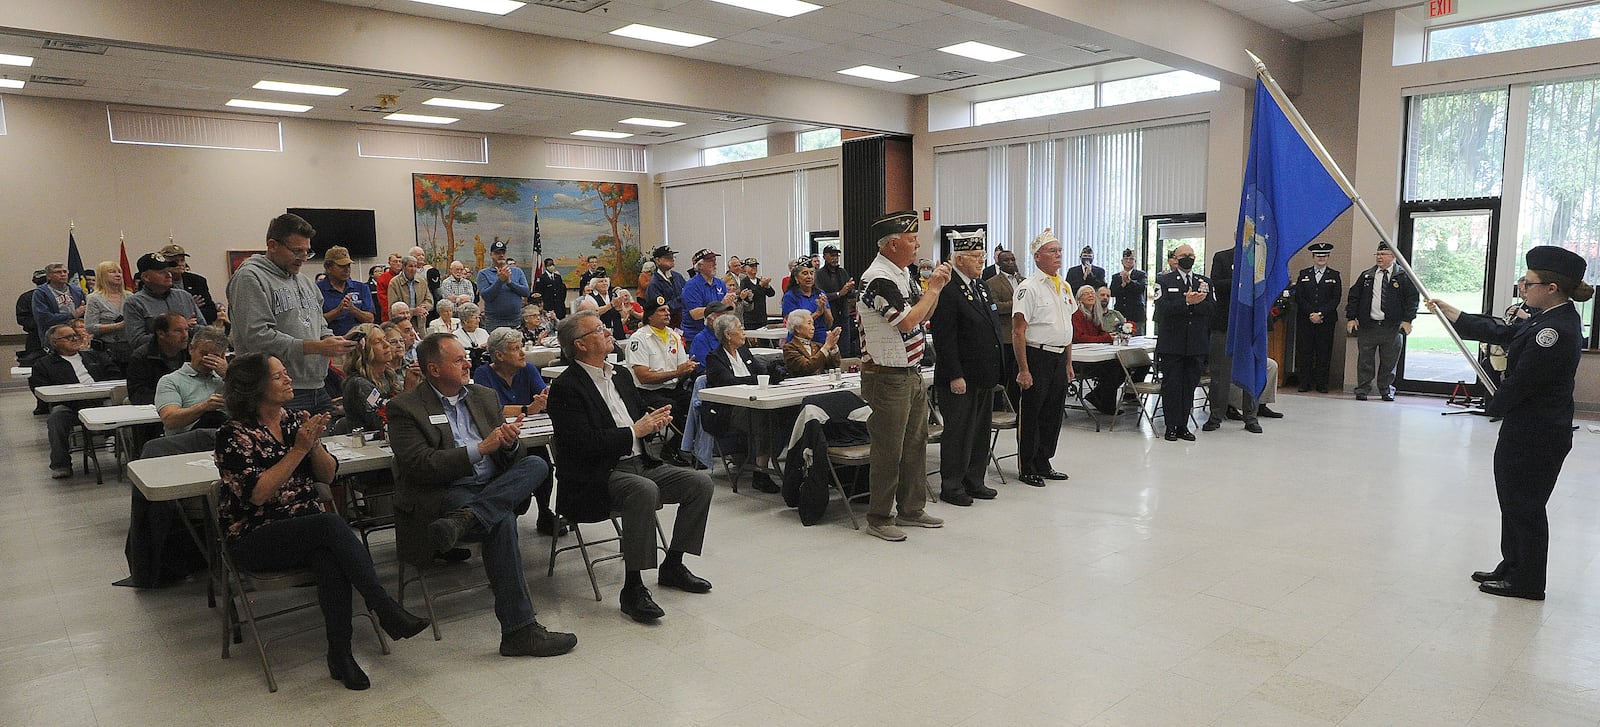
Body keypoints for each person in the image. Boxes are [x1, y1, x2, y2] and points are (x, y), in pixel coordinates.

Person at [214, 353, 430, 690]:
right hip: (255, 537)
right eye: (278, 376)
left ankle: (340, 655)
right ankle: (384, 607)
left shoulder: (296, 420)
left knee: (330, 556)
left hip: (307, 530)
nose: (288, 379)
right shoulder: (233, 434)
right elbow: (257, 495)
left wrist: (313, 444)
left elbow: (328, 476)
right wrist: (298, 450)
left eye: (287, 372)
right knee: (329, 525)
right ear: (254, 388)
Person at [386, 334, 578, 655]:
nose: (468, 363)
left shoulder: (483, 396)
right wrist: (481, 448)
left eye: (466, 357)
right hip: (446, 493)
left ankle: (470, 517)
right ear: (433, 369)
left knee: (535, 463)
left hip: (489, 490)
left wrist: (508, 442)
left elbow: (511, 462)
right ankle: (520, 630)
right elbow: (421, 466)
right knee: (500, 520)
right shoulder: (405, 408)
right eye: (458, 359)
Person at [1430, 247, 1591, 601]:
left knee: (1526, 504)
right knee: (1512, 499)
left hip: (1538, 432)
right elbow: (1504, 333)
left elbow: (1524, 381)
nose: (1523, 288)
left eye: (1528, 283)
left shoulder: (1555, 330)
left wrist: (1494, 405)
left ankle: (1529, 580)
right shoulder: (1544, 317)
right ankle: (1513, 563)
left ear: (1551, 287)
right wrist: (1455, 315)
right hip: (1527, 428)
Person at [547, 311, 716, 622]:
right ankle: (633, 588)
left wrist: (655, 422)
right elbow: (580, 445)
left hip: (641, 462)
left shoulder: (621, 375)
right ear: (581, 345)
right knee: (644, 490)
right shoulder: (566, 387)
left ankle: (673, 564)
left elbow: (638, 418)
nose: (608, 331)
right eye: (599, 329)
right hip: (597, 475)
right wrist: (635, 432)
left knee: (700, 483)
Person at [857, 211, 949, 542]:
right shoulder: (877, 279)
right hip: (886, 376)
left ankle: (912, 508)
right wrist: (933, 289)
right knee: (888, 449)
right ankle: (879, 516)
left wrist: (934, 292)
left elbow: (922, 316)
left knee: (915, 443)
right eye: (912, 240)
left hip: (910, 372)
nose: (918, 245)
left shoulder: (904, 274)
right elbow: (908, 322)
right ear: (893, 243)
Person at [228, 214, 357, 414]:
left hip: (316, 385)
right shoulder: (250, 278)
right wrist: (317, 347)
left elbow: (320, 325)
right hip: (272, 391)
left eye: (307, 252)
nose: (303, 258)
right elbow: (257, 336)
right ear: (272, 245)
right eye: (297, 251)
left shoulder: (305, 282)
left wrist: (337, 341)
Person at [930, 232, 1002, 506]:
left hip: (983, 373)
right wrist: (955, 374)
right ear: (959, 259)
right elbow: (944, 337)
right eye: (975, 257)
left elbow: (992, 327)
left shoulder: (981, 287)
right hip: (960, 376)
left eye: (982, 256)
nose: (981, 261)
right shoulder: (948, 290)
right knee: (959, 433)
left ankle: (975, 479)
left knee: (980, 431)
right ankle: (952, 486)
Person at [471, 327, 566, 535]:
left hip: (531, 431)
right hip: (502, 436)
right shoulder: (483, 374)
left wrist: (545, 401)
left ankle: (544, 512)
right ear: (499, 355)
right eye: (516, 349)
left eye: (521, 347)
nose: (522, 353)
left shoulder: (528, 369)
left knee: (543, 459)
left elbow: (542, 398)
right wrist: (527, 409)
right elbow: (492, 409)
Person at [1012, 229, 1076, 486]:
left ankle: (1044, 461)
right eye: (1052, 251)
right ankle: (1027, 465)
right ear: (1037, 257)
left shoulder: (1065, 286)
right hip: (1036, 356)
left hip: (1059, 357)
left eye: (1060, 250)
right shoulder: (1028, 288)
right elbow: (1018, 330)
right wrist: (1023, 369)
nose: (1058, 255)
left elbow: (1067, 326)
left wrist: (1069, 362)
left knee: (1053, 413)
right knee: (1032, 413)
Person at [31, 323, 122, 479]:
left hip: (99, 402)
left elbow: (114, 375)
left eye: (75, 335)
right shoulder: (44, 364)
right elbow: (40, 390)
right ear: (54, 343)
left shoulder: (94, 356)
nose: (74, 339)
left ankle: (129, 450)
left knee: (121, 406)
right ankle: (61, 464)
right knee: (56, 417)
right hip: (69, 406)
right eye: (68, 337)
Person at [703, 315, 779, 492]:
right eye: (739, 327)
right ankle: (760, 472)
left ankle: (778, 463)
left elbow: (762, 373)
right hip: (729, 410)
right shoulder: (714, 358)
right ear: (728, 335)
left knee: (779, 413)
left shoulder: (745, 351)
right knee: (764, 417)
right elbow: (729, 382)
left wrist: (758, 378)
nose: (743, 330)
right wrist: (755, 379)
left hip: (754, 401)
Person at [1153, 244, 1214, 441]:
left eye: (1191, 255)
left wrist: (1197, 304)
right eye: (1184, 255)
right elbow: (1162, 309)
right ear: (1175, 258)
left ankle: (1183, 426)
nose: (1188, 258)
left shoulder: (1203, 282)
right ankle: (1170, 426)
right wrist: (1186, 302)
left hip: (1196, 344)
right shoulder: (1163, 281)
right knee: (1172, 386)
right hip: (1172, 344)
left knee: (1189, 386)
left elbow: (1212, 308)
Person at [626, 296, 697, 458]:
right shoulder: (639, 338)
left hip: (673, 387)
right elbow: (643, 377)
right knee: (673, 409)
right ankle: (675, 449)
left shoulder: (674, 336)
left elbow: (681, 368)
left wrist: (688, 368)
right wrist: (678, 372)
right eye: (661, 311)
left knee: (697, 405)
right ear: (650, 315)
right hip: (647, 392)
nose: (667, 313)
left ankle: (677, 446)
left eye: (667, 310)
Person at [1201, 245, 1262, 434]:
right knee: (1220, 374)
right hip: (1224, 323)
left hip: (1249, 324)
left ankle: (1251, 417)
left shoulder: (1259, 258)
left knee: (1250, 372)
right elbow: (1216, 284)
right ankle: (1216, 416)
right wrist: (1241, 281)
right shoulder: (1222, 257)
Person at [1346, 242, 1418, 401]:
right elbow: (1354, 297)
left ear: (1393, 257)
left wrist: (1408, 320)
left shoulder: (1403, 276)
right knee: (1365, 361)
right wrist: (1351, 318)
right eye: (1377, 254)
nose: (1379, 257)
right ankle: (1362, 389)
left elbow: (1412, 299)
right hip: (1368, 326)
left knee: (1389, 362)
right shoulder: (1367, 276)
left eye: (1383, 254)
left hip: (1391, 328)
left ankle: (1386, 390)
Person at [154, 327, 229, 436]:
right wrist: (204, 407)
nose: (206, 359)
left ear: (222, 356)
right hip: (186, 442)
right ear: (191, 349)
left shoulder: (228, 381)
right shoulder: (170, 381)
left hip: (225, 438)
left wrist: (228, 375)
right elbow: (169, 420)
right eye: (203, 353)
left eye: (214, 356)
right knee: (212, 417)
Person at [123, 252, 206, 350]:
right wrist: (174, 331)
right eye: (161, 272)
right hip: (155, 360)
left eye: (169, 270)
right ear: (146, 277)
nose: (168, 275)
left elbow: (204, 330)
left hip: (189, 356)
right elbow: (136, 341)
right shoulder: (135, 303)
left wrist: (186, 329)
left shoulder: (184, 296)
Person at [1071, 285, 1128, 416]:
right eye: (1086, 294)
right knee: (1113, 367)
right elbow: (1080, 338)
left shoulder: (1095, 314)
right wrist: (1105, 338)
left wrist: (1108, 337)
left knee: (1120, 365)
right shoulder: (1077, 315)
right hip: (1081, 359)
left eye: (1092, 293)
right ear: (1079, 299)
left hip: (1095, 353)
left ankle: (1097, 396)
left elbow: (1102, 333)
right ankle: (1106, 403)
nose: (1090, 295)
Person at [1293, 242, 1342, 392]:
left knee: (1324, 352)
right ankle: (1304, 383)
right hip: (1306, 320)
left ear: (1328, 257)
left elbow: (1336, 299)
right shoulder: (1304, 274)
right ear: (1313, 257)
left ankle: (1321, 384)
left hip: (1326, 321)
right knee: (1305, 351)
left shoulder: (1334, 275)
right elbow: (1299, 297)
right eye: (1318, 256)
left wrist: (1320, 314)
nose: (1321, 258)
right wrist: (1311, 314)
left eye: (1324, 256)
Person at [340, 324, 407, 433]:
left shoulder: (389, 375)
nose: (386, 345)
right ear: (364, 350)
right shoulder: (359, 384)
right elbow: (382, 423)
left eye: (385, 339)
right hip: (368, 445)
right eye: (377, 342)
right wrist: (408, 392)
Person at [986, 248, 1024, 408]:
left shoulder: (1024, 281)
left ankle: (1015, 406)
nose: (1011, 263)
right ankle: (998, 407)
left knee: (1019, 374)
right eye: (1006, 260)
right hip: (1005, 336)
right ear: (998, 263)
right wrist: (1018, 303)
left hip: (1023, 334)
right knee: (1005, 374)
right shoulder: (992, 282)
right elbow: (994, 306)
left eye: (1013, 260)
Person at [126, 312, 190, 405]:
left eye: (186, 329)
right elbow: (137, 395)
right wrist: (173, 400)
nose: (185, 335)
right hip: (157, 409)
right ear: (161, 334)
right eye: (178, 331)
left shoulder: (192, 352)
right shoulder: (141, 357)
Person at [317, 246, 376, 337]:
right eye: (341, 266)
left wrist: (353, 310)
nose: (347, 269)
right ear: (328, 268)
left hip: (360, 341)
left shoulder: (361, 288)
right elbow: (316, 322)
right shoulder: (317, 290)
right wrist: (338, 311)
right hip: (331, 341)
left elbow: (370, 318)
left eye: (348, 265)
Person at [680, 248, 734, 347]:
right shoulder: (692, 286)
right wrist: (721, 305)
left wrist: (730, 303)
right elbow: (695, 314)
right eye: (710, 261)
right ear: (700, 266)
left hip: (717, 335)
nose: (714, 264)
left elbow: (730, 311)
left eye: (715, 260)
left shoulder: (720, 283)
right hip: (695, 337)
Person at [85, 260, 132, 366]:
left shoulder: (130, 296)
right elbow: (90, 327)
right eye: (112, 272)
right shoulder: (94, 298)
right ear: (102, 276)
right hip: (106, 350)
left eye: (119, 272)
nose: (117, 275)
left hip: (129, 347)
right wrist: (118, 326)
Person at [815, 245, 858, 357]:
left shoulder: (842, 272)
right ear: (824, 257)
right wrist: (839, 294)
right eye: (832, 255)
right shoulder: (819, 275)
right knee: (830, 349)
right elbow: (820, 296)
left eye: (837, 255)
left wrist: (850, 288)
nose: (835, 258)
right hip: (829, 317)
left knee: (845, 349)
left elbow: (849, 293)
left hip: (844, 315)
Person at [476, 239, 529, 331]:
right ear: (491, 254)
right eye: (497, 253)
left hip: (516, 320)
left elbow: (526, 292)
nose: (501, 255)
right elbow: (487, 296)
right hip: (494, 322)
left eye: (503, 252)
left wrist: (509, 283)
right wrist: (500, 281)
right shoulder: (483, 273)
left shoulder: (517, 271)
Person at [161, 243, 219, 325]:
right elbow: (160, 312)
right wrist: (190, 306)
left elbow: (211, 313)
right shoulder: (159, 283)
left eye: (182, 260)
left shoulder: (198, 281)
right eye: (175, 261)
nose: (180, 264)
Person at [33, 262, 88, 346]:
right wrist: (72, 315)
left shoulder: (77, 291)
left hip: (77, 334)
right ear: (49, 276)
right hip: (54, 335)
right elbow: (43, 318)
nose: (63, 274)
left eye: (65, 272)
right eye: (58, 272)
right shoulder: (41, 293)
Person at [781, 260, 831, 344]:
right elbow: (795, 326)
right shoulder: (790, 296)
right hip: (799, 343)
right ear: (796, 277)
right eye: (805, 273)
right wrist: (817, 313)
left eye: (812, 273)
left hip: (820, 341)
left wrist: (824, 308)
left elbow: (829, 324)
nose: (809, 277)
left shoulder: (820, 293)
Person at [781, 309, 841, 376]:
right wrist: (826, 346)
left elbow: (834, 366)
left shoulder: (817, 345)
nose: (813, 328)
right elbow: (806, 368)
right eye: (809, 323)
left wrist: (833, 346)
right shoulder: (789, 348)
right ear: (797, 328)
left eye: (813, 324)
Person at [644, 246, 687, 329]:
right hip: (666, 325)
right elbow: (659, 309)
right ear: (657, 260)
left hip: (683, 323)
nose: (672, 259)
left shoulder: (678, 277)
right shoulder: (654, 283)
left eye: (672, 257)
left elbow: (688, 293)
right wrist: (681, 299)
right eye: (668, 257)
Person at [1109, 248, 1147, 335]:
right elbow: (1112, 292)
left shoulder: (1140, 274)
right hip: (1120, 312)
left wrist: (1129, 281)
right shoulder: (1116, 276)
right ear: (1122, 261)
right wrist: (1122, 285)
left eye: (1131, 259)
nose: (1128, 261)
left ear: (1135, 261)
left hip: (1135, 313)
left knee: (1137, 339)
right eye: (1126, 259)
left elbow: (1141, 288)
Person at [736, 257, 776, 331]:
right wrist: (760, 285)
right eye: (751, 266)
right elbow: (749, 297)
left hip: (762, 318)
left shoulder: (760, 280)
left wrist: (767, 286)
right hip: (750, 320)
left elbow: (771, 294)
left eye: (755, 266)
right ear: (745, 268)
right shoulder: (744, 282)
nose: (754, 268)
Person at [688, 301, 733, 367]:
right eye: (721, 316)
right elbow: (703, 369)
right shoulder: (700, 339)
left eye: (726, 315)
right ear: (710, 320)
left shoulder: (729, 336)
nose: (726, 320)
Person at [374, 253, 404, 322]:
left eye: (400, 261)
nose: (398, 263)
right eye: (395, 261)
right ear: (389, 263)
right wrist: (394, 312)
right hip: (389, 316)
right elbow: (383, 299)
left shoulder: (406, 277)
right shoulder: (383, 278)